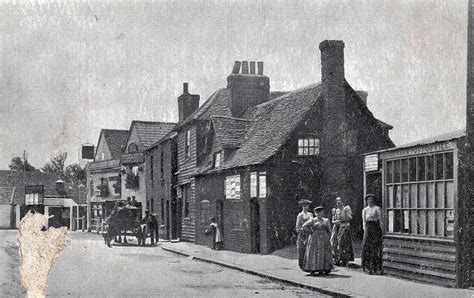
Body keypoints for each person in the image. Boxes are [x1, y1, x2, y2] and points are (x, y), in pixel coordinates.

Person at [302, 206, 333, 275]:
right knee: (314, 252)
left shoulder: (326, 220)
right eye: (317, 213)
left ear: (323, 213)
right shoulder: (312, 220)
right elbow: (304, 226)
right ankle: (313, 268)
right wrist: (310, 232)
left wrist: (328, 237)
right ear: (315, 213)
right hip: (314, 239)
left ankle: (324, 268)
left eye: (320, 212)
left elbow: (329, 230)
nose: (318, 214)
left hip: (324, 239)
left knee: (324, 252)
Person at [361, 194, 383, 275]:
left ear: (373, 200)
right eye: (368, 199)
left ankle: (375, 268)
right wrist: (365, 231)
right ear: (366, 201)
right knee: (366, 247)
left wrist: (381, 230)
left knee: (375, 248)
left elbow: (380, 220)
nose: (370, 201)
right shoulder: (365, 210)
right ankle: (367, 267)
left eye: (371, 199)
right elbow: (364, 221)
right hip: (367, 229)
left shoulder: (377, 208)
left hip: (375, 228)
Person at [330, 197, 354, 266]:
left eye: (340, 202)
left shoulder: (346, 209)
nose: (338, 204)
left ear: (343, 202)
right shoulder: (335, 210)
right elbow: (332, 221)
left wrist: (346, 214)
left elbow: (350, 218)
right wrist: (336, 221)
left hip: (344, 227)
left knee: (343, 243)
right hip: (336, 228)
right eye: (337, 203)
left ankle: (345, 259)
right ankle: (336, 259)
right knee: (334, 243)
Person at [295, 199, 313, 269]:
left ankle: (308, 264)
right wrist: (302, 230)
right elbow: (297, 227)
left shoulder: (310, 214)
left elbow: (312, 222)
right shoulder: (300, 215)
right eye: (304, 206)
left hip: (310, 233)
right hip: (303, 233)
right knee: (302, 248)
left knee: (309, 248)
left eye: (307, 206)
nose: (305, 207)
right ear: (302, 206)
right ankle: (302, 264)